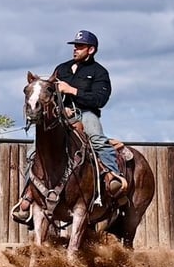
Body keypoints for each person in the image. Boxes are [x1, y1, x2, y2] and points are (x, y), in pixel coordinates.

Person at [12, 29, 127, 225]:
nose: (75, 49)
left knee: (97, 139)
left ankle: (112, 176)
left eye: (80, 46)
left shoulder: (99, 73)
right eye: (75, 46)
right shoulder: (62, 69)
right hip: (62, 115)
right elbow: (49, 93)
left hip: (87, 114)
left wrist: (71, 90)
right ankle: (28, 195)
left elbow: (100, 99)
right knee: (33, 152)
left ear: (91, 50)